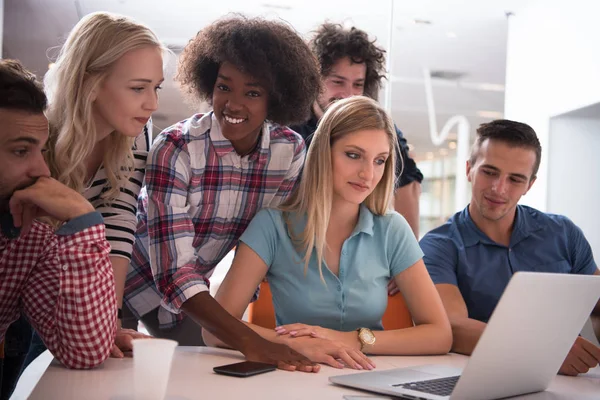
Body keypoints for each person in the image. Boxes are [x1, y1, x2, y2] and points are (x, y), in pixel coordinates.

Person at [123, 16, 322, 372]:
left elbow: (267, 244)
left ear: (275, 99)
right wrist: (251, 341)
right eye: (224, 86)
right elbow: (173, 273)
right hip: (123, 285)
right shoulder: (176, 147)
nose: (233, 104)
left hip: (189, 299)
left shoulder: (289, 151)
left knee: (197, 379)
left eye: (253, 92)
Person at [205, 96, 452, 370]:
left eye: (379, 160)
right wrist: (291, 343)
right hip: (293, 377)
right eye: (354, 155)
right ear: (324, 152)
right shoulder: (272, 225)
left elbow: (439, 334)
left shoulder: (392, 229)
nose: (367, 174)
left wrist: (350, 340)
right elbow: (215, 329)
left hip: (369, 378)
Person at [8, 12, 164, 383]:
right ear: (91, 83)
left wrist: (105, 323)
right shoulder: (36, 131)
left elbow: (118, 224)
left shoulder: (137, 135)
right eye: (138, 88)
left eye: (156, 87)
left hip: (69, 287)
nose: (152, 104)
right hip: (26, 288)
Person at [420, 119, 600, 376]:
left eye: (515, 179)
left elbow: (596, 300)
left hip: (573, 384)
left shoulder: (563, 233)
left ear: (530, 185)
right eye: (489, 172)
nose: (499, 188)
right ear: (469, 169)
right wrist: (544, 349)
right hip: (485, 379)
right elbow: (452, 327)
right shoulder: (439, 245)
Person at [0, 59, 117, 397]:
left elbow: (84, 352)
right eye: (21, 151)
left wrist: (84, 219)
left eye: (40, 150)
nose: (42, 170)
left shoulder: (28, 240)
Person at [290, 23, 423, 238]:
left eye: (358, 84)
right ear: (314, 79)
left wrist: (405, 257)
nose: (349, 94)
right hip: (295, 240)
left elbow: (409, 187)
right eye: (337, 82)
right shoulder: (290, 127)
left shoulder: (380, 131)